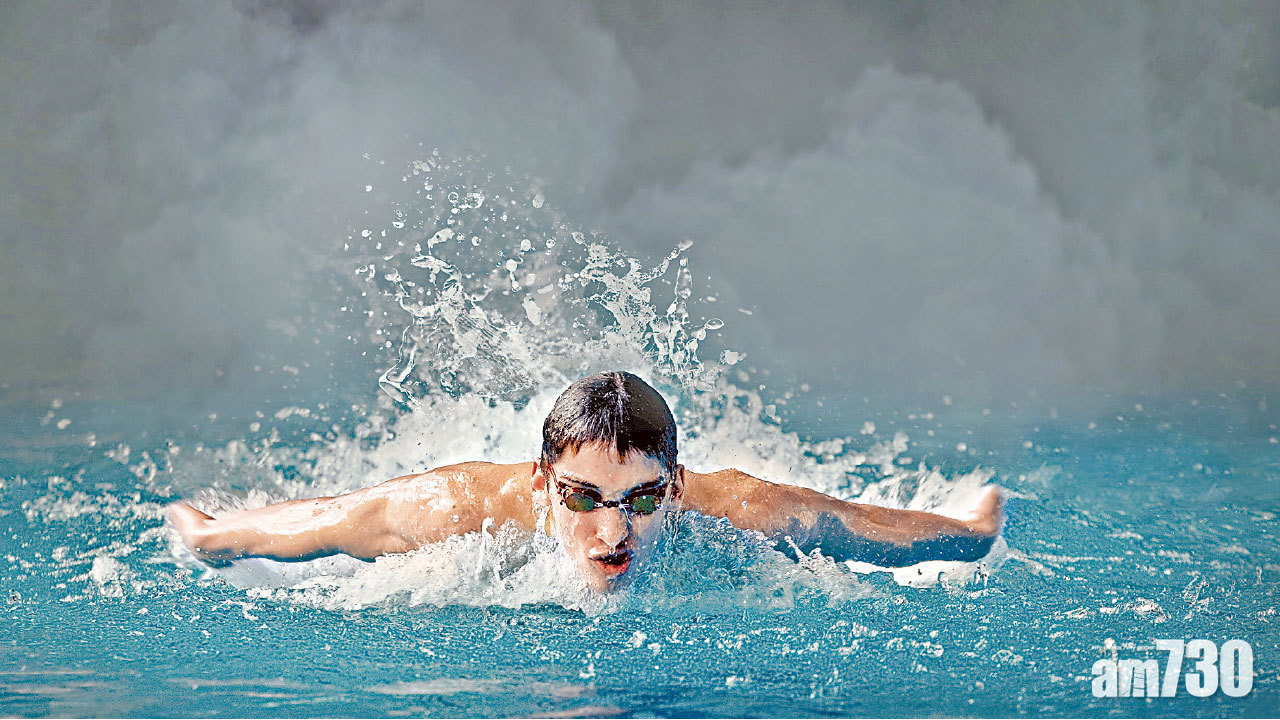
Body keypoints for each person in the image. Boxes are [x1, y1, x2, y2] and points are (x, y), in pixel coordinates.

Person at [167, 371, 1004, 592]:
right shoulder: (467, 509)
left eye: (642, 501)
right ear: (543, 484)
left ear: (673, 486)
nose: (614, 534)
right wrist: (215, 535)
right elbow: (330, 522)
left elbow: (851, 525)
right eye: (583, 499)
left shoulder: (742, 509)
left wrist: (967, 535)